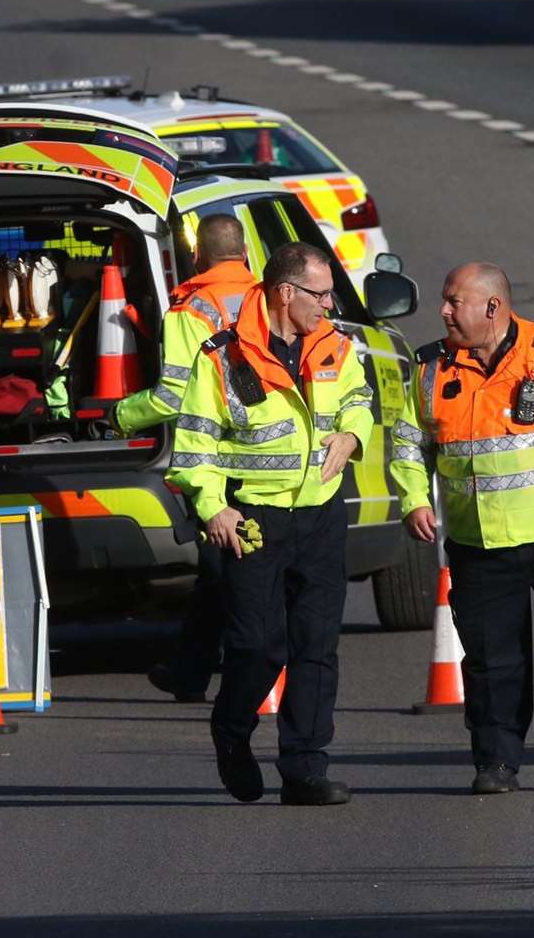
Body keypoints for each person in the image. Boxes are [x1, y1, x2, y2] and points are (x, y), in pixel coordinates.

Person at [389, 262, 534, 796]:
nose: (443, 311)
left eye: (454, 301)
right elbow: (408, 443)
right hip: (477, 542)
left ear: (492, 307)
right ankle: (496, 759)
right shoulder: (430, 368)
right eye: (445, 302)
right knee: (492, 658)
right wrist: (412, 500)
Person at [167, 242, 373, 807]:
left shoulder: (336, 346)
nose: (330, 304)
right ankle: (231, 731)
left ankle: (305, 768)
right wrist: (213, 507)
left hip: (321, 514)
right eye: (321, 293)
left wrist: (353, 435)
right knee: (258, 648)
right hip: (251, 518)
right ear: (287, 293)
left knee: (316, 646)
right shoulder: (223, 357)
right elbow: (195, 443)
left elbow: (359, 399)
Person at [115, 213, 258, 704]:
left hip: (217, 458)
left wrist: (122, 415)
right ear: (243, 251)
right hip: (272, 455)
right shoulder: (269, 297)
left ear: (197, 255)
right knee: (218, 571)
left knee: (225, 571)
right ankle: (190, 672)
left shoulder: (191, 310)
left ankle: (238, 673)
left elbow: (173, 396)